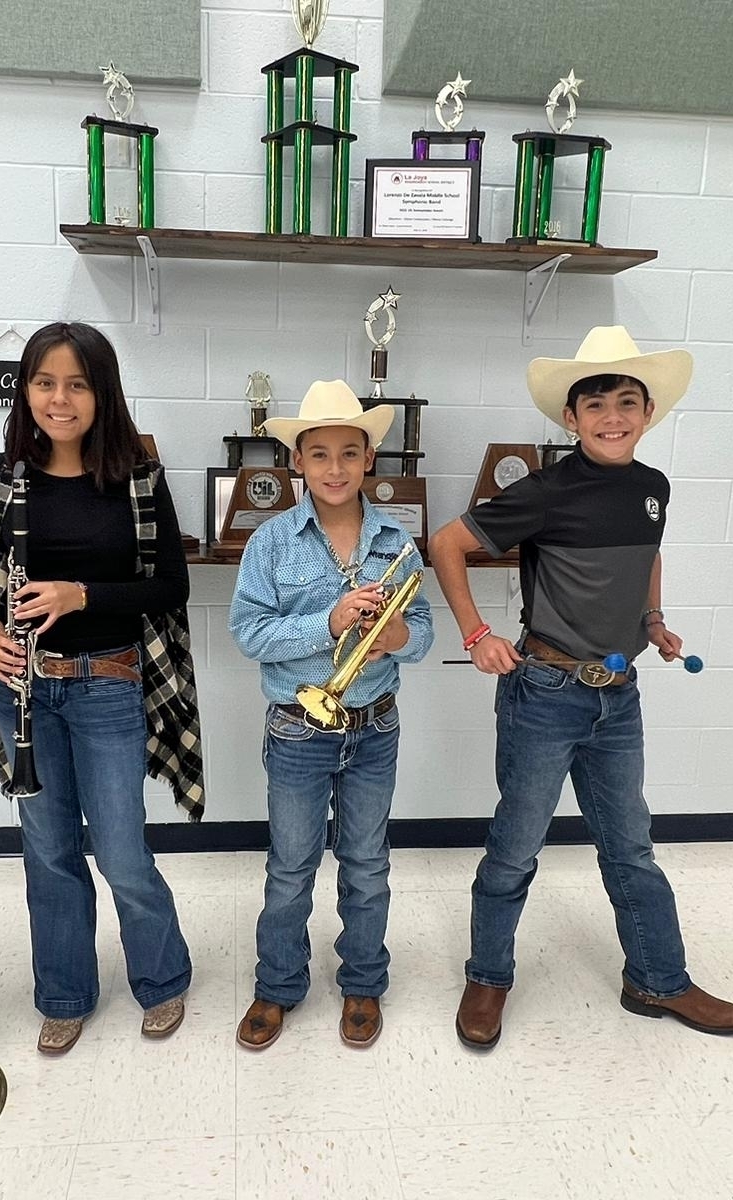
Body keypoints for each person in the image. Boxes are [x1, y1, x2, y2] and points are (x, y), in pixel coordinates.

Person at [426, 325, 733, 1049]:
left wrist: (653, 620)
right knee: (516, 848)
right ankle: (488, 976)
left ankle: (658, 979)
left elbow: (647, 555)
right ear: (570, 418)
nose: (613, 417)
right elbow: (447, 543)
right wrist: (477, 635)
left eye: (627, 402)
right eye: (596, 404)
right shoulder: (547, 491)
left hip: (619, 696)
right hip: (545, 694)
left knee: (631, 848)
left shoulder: (652, 488)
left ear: (648, 412)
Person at [0, 321, 203, 1056]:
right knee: (49, 852)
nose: (59, 399)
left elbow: (170, 586)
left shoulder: (139, 477)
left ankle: (161, 978)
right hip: (23, 686)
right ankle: (65, 994)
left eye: (77, 384)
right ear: (25, 391)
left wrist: (80, 595)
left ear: (103, 394)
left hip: (108, 682)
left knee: (122, 851)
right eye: (44, 383)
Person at [229, 380, 434, 1050]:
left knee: (367, 863)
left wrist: (396, 635)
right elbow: (250, 634)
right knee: (291, 867)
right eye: (319, 454)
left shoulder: (396, 540)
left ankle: (363, 981)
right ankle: (278, 984)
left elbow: (424, 634)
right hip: (298, 727)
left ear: (370, 458)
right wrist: (330, 621)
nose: (335, 468)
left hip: (376, 724)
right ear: (298, 462)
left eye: (350, 453)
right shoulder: (271, 542)